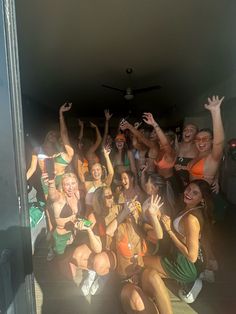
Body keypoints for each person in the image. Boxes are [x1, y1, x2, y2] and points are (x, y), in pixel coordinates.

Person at [144, 180, 213, 303]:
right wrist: (159, 216)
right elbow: (183, 234)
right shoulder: (190, 208)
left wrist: (169, 230)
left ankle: (188, 282)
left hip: (185, 265)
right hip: (189, 261)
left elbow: (192, 256)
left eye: (195, 193)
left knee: (143, 261)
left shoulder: (191, 219)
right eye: (189, 189)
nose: (189, 193)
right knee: (152, 267)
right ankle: (191, 278)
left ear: (202, 199)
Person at [106, 195, 173, 314]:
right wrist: (123, 213)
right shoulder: (119, 228)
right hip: (125, 281)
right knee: (135, 298)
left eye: (135, 209)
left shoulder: (142, 228)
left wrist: (153, 215)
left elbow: (159, 235)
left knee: (153, 276)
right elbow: (108, 232)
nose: (132, 212)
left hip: (142, 275)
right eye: (129, 209)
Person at [26, 103, 74, 198]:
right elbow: (32, 168)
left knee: (61, 201)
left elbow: (64, 133)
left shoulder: (64, 153)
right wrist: (22, 181)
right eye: (51, 133)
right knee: (50, 203)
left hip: (61, 178)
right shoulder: (37, 149)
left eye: (56, 135)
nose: (53, 136)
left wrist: (61, 114)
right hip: (46, 179)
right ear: (46, 134)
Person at [188, 95, 225, 185]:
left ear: (212, 141)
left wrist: (215, 112)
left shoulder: (212, 157)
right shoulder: (198, 154)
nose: (201, 142)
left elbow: (219, 142)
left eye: (205, 139)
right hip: (190, 192)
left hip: (202, 196)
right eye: (198, 139)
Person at [78, 146, 114, 213]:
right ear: (91, 173)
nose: (96, 172)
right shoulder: (86, 184)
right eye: (93, 170)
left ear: (102, 171)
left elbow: (111, 173)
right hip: (90, 216)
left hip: (102, 215)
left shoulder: (105, 184)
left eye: (98, 170)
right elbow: (74, 189)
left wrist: (107, 156)